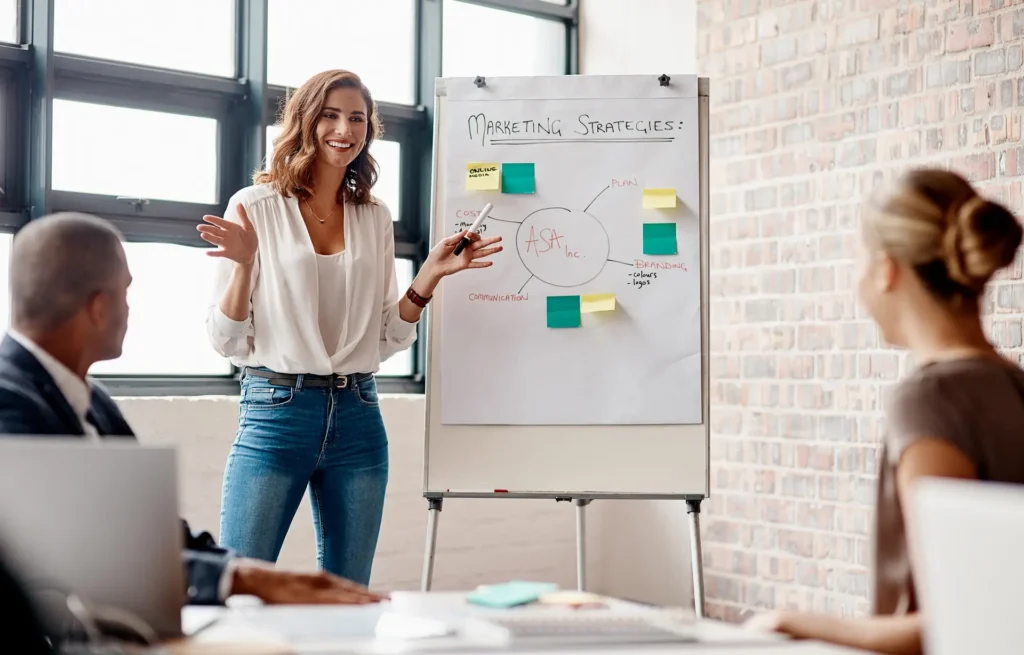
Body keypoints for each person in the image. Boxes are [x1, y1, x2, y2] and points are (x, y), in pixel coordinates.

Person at [199, 69, 501, 586]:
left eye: (357, 118)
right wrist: (246, 264)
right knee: (238, 584)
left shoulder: (373, 215)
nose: (345, 128)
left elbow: (384, 336)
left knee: (348, 592)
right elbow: (227, 340)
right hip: (276, 415)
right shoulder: (255, 206)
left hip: (359, 415)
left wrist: (427, 277)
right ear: (307, 121)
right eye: (331, 115)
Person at [0, 212, 384, 607]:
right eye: (125, 292)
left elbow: (153, 529)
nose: (129, 309)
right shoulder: (8, 401)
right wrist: (241, 579)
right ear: (99, 307)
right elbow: (71, 546)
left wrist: (264, 576)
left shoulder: (92, 401)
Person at [744, 168, 1024, 654]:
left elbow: (947, 623)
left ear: (886, 269)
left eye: (860, 261)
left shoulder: (930, 400)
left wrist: (790, 621)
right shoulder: (1013, 385)